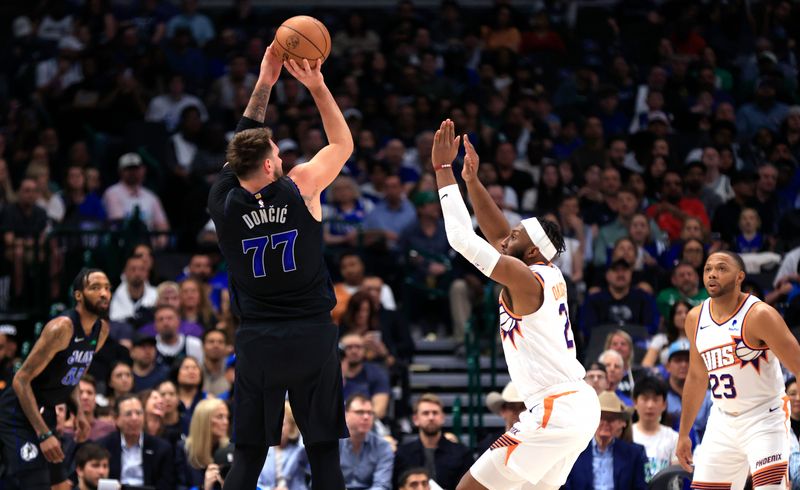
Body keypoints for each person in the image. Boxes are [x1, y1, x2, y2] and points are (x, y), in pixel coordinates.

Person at [207, 44, 353, 490]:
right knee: (323, 451)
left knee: (248, 456)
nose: (284, 157)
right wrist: (317, 85)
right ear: (271, 164)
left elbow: (240, 150)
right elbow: (342, 144)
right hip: (310, 334)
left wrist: (265, 81)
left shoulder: (222, 202)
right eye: (278, 152)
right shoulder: (301, 186)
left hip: (258, 340)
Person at [430, 119, 600, 490]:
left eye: (517, 235)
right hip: (575, 406)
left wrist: (444, 172)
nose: (507, 237)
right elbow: (499, 235)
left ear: (534, 249)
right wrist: (472, 182)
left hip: (556, 407)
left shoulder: (526, 279)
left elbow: (461, 238)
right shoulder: (547, 273)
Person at [677, 251, 800, 489]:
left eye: (722, 268)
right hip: (721, 421)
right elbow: (695, 377)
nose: (713, 273)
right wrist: (684, 433)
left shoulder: (759, 314)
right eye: (708, 269)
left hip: (765, 417)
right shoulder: (695, 318)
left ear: (739, 276)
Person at [0, 268, 110, 489]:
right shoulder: (61, 328)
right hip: (17, 414)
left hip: (46, 413)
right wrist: (43, 434)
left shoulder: (102, 331)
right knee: (37, 484)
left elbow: (73, 374)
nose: (104, 293)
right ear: (78, 295)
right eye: (95, 287)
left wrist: (78, 411)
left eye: (107, 288)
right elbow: (20, 380)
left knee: (61, 484)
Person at [563, 391, 648, 490]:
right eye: (601, 417)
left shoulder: (634, 454)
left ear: (621, 423)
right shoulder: (574, 451)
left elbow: (640, 487)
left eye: (611, 418)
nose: (605, 422)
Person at [393, 394, 473, 489]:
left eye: (435, 413)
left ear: (442, 418)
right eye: (425, 413)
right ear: (415, 419)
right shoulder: (403, 454)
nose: (431, 417)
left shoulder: (461, 453)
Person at [98, 394, 175, 490]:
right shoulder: (103, 446)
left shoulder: (161, 448)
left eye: (139, 413)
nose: (135, 418)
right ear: (116, 419)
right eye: (128, 414)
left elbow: (165, 486)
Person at [339, 394, 394, 490]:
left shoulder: (383, 447)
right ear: (345, 414)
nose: (366, 417)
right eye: (360, 412)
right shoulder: (332, 444)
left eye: (370, 413)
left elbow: (381, 485)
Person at [631, 376, 678, 483]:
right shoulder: (627, 436)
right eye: (645, 399)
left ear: (664, 405)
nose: (650, 405)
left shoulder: (673, 438)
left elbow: (676, 479)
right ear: (635, 402)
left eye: (655, 400)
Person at [477, 382, 527, 454]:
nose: (518, 413)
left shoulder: (538, 441)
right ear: (503, 411)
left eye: (523, 407)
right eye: (512, 407)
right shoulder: (489, 445)